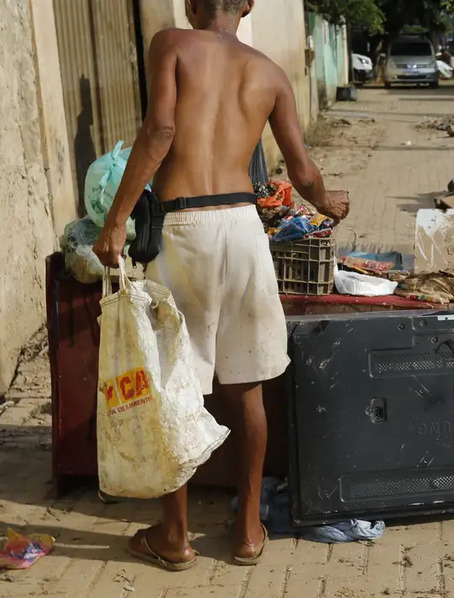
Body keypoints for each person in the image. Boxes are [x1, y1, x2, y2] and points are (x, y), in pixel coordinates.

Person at [92, 0, 349, 570]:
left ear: (190, 4)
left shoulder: (172, 44)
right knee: (246, 385)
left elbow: (160, 129)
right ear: (249, 5)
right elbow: (303, 172)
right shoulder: (270, 72)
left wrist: (116, 221)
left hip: (183, 232)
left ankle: (175, 537)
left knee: (176, 383)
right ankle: (249, 527)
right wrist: (330, 203)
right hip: (242, 227)